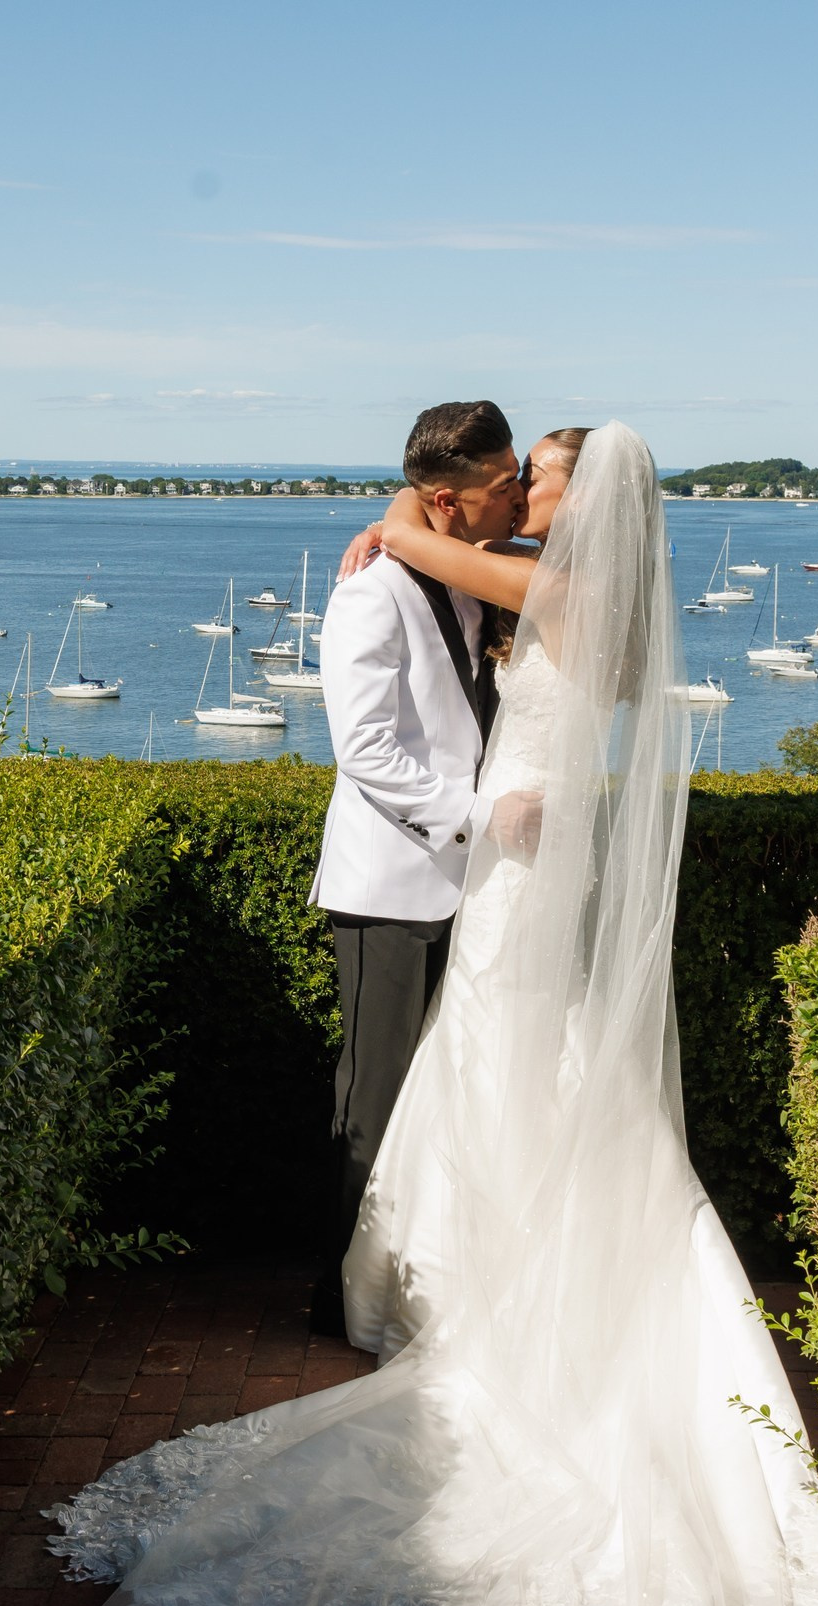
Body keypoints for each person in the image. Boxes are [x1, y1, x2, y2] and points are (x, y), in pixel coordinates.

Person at [21, 423, 818, 1606]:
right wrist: (402, 523)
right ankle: (490, 1273)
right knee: (495, 1068)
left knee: (510, 1061)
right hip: (508, 862)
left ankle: (506, 1292)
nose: (523, 488)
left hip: (515, 863)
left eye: (540, 474)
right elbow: (430, 587)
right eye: (514, 473)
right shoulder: (569, 578)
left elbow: (432, 540)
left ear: (582, 497)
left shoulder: (559, 585)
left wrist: (391, 520)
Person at [302, 400, 535, 1340]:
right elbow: (364, 748)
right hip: (390, 885)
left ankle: (424, 1284)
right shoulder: (373, 592)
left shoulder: (475, 569)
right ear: (446, 501)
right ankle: (342, 1296)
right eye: (504, 483)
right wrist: (481, 817)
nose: (517, 496)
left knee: (450, 1089)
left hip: (476, 887)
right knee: (377, 1093)